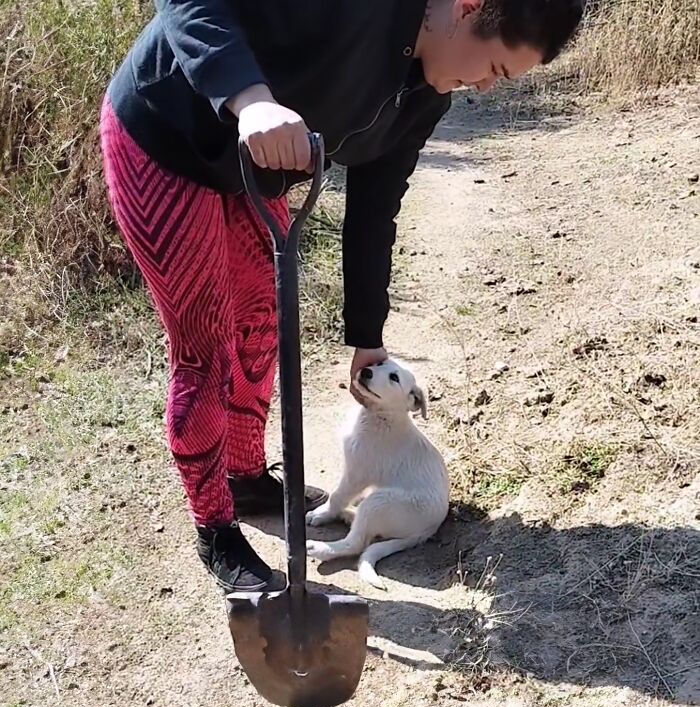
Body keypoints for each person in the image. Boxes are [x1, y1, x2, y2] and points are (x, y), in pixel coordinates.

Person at [100, 0, 583, 593]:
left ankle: (247, 479)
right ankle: (216, 529)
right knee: (207, 350)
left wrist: (367, 337)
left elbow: (375, 207)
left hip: (252, 168)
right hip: (166, 136)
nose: (483, 85)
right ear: (467, 7)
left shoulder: (428, 94)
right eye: (494, 68)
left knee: (260, 323)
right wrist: (249, 99)